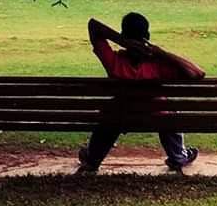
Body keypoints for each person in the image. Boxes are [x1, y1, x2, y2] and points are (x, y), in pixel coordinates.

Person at [77, 14, 205, 174]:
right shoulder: (158, 65)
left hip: (120, 115)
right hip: (155, 115)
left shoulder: (114, 62)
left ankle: (92, 159)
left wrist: (122, 41)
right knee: (169, 112)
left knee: (109, 116)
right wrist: (162, 53)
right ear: (148, 37)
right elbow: (198, 73)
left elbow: (93, 25)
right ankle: (178, 157)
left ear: (123, 35)